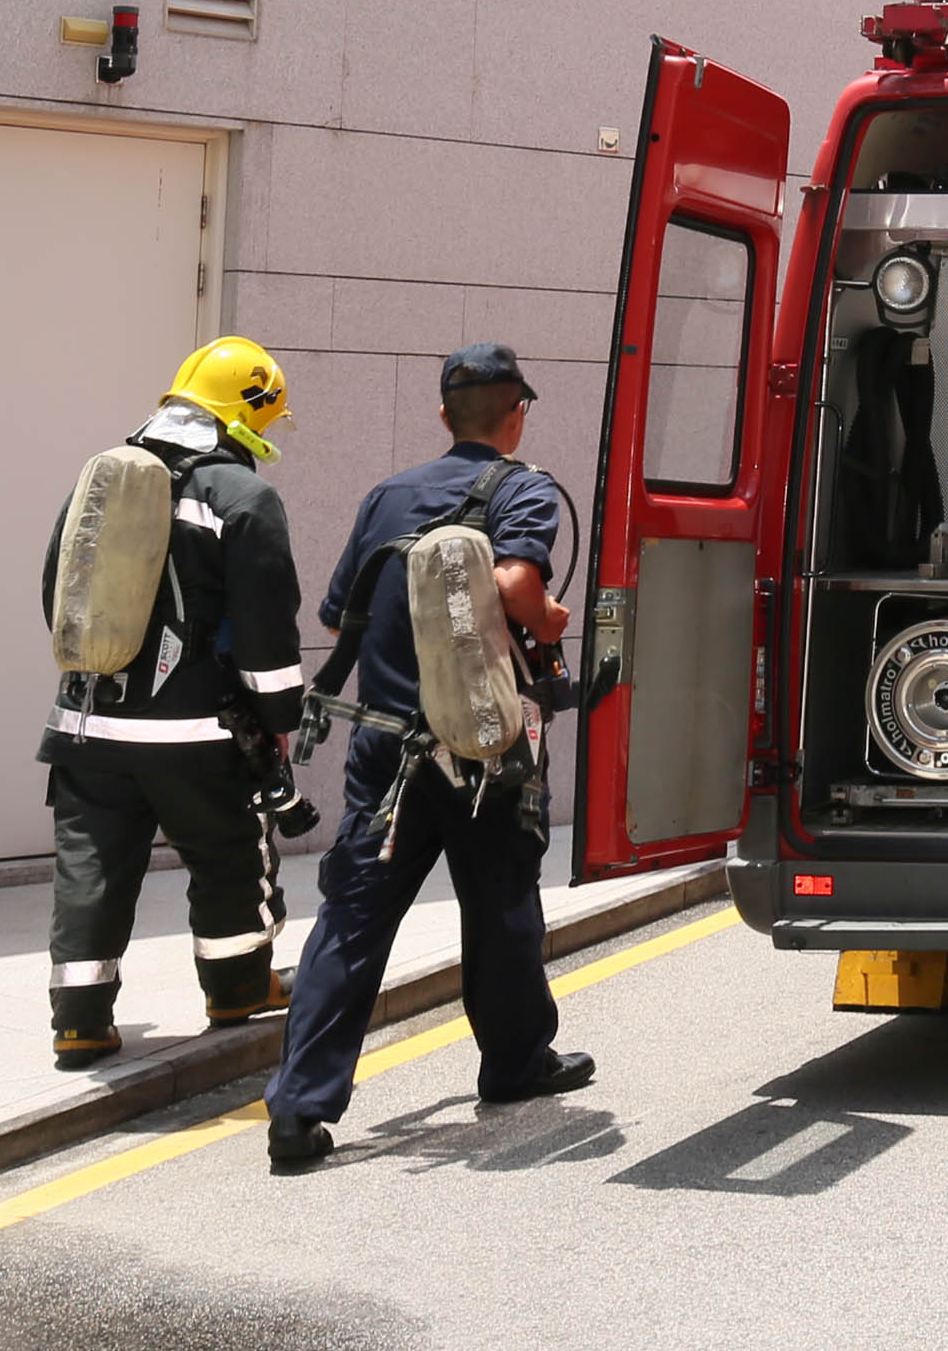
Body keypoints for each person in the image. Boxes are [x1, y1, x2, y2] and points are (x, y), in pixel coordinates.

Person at [265, 345, 590, 1172]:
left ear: (444, 416)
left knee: (353, 918)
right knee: (502, 906)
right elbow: (515, 585)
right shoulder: (524, 489)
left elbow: (339, 617)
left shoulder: (388, 495)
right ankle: (515, 1065)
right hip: (485, 746)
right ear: (517, 414)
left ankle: (299, 1110)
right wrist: (549, 619)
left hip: (387, 745)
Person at [36, 339, 310, 1069]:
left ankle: (80, 1024)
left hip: (87, 727)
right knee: (228, 858)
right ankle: (238, 990)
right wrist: (279, 721)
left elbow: (57, 594)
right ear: (247, 414)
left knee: (90, 868)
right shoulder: (242, 497)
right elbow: (266, 629)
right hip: (198, 736)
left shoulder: (102, 478)